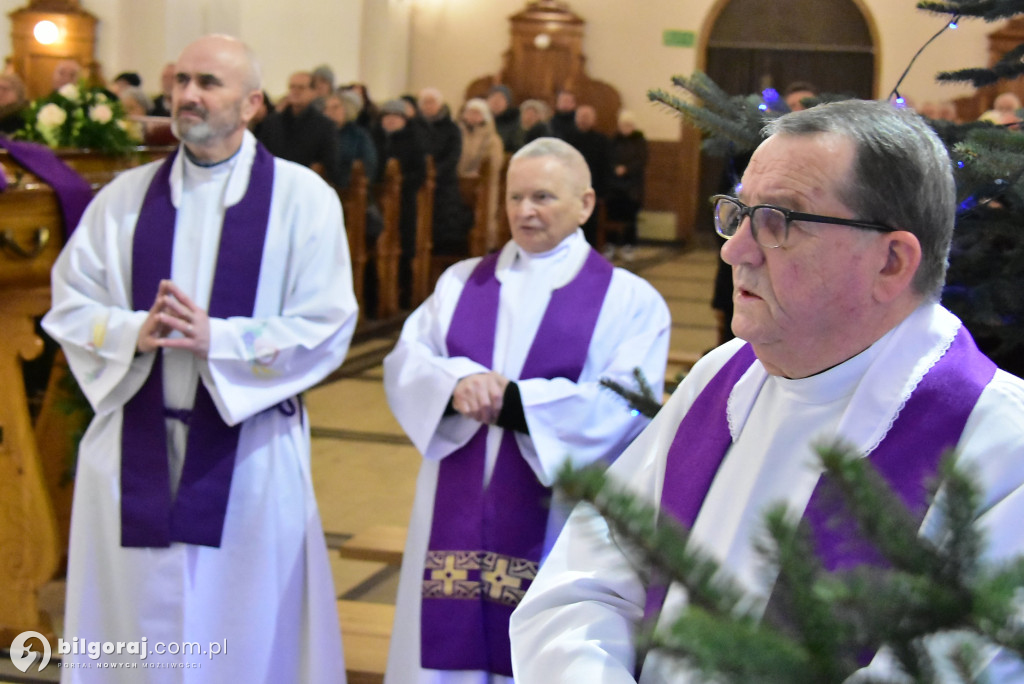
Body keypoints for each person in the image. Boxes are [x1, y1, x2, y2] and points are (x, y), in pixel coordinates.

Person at [510, 100, 1024, 682]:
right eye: (739, 212)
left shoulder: (997, 446)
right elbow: (585, 586)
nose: (735, 250)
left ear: (892, 261)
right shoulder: (721, 380)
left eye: (779, 220)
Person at [41, 34, 357, 682]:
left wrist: (223, 340)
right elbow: (68, 305)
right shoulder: (124, 200)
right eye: (181, 80)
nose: (187, 95)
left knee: (243, 622)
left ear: (251, 104)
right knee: (133, 623)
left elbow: (327, 324)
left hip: (248, 450)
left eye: (208, 83)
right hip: (136, 445)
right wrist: (134, 331)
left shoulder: (303, 201)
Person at [382, 136, 671, 684]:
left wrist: (513, 402)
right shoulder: (462, 281)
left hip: (558, 511)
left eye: (542, 197)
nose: (524, 211)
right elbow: (406, 360)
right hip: (454, 499)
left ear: (585, 204)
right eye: (514, 198)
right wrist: (456, 383)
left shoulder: (629, 300)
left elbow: (623, 405)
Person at [257, 70, 341, 181]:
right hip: (275, 181)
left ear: (313, 92)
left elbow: (330, 165)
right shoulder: (272, 122)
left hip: (307, 184)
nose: (295, 92)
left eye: (301, 88)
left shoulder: (324, 126)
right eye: (292, 87)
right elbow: (262, 155)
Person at [415, 87, 471, 254]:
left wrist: (435, 173)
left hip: (445, 184)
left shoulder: (451, 128)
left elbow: (454, 155)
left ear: (440, 105)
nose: (428, 106)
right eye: (425, 102)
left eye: (432, 102)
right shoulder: (413, 127)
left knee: (442, 228)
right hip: (418, 181)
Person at [458, 98, 505, 251]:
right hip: (459, 183)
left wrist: (477, 173)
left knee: (483, 218)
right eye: (469, 112)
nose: (472, 116)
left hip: (483, 185)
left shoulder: (492, 139)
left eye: (476, 113)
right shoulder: (458, 133)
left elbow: (493, 164)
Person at [605, 110, 648, 261]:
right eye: (623, 124)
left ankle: (628, 245)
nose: (626, 127)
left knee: (630, 218)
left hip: (632, 186)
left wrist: (627, 169)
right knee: (612, 215)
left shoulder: (639, 140)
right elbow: (608, 158)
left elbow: (641, 160)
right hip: (614, 186)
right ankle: (610, 244)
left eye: (629, 125)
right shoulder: (614, 140)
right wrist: (615, 168)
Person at [487, 84, 522, 153]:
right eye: (493, 96)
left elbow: (516, 147)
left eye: (501, 98)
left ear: (507, 104)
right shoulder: (478, 118)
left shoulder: (513, 121)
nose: (496, 101)